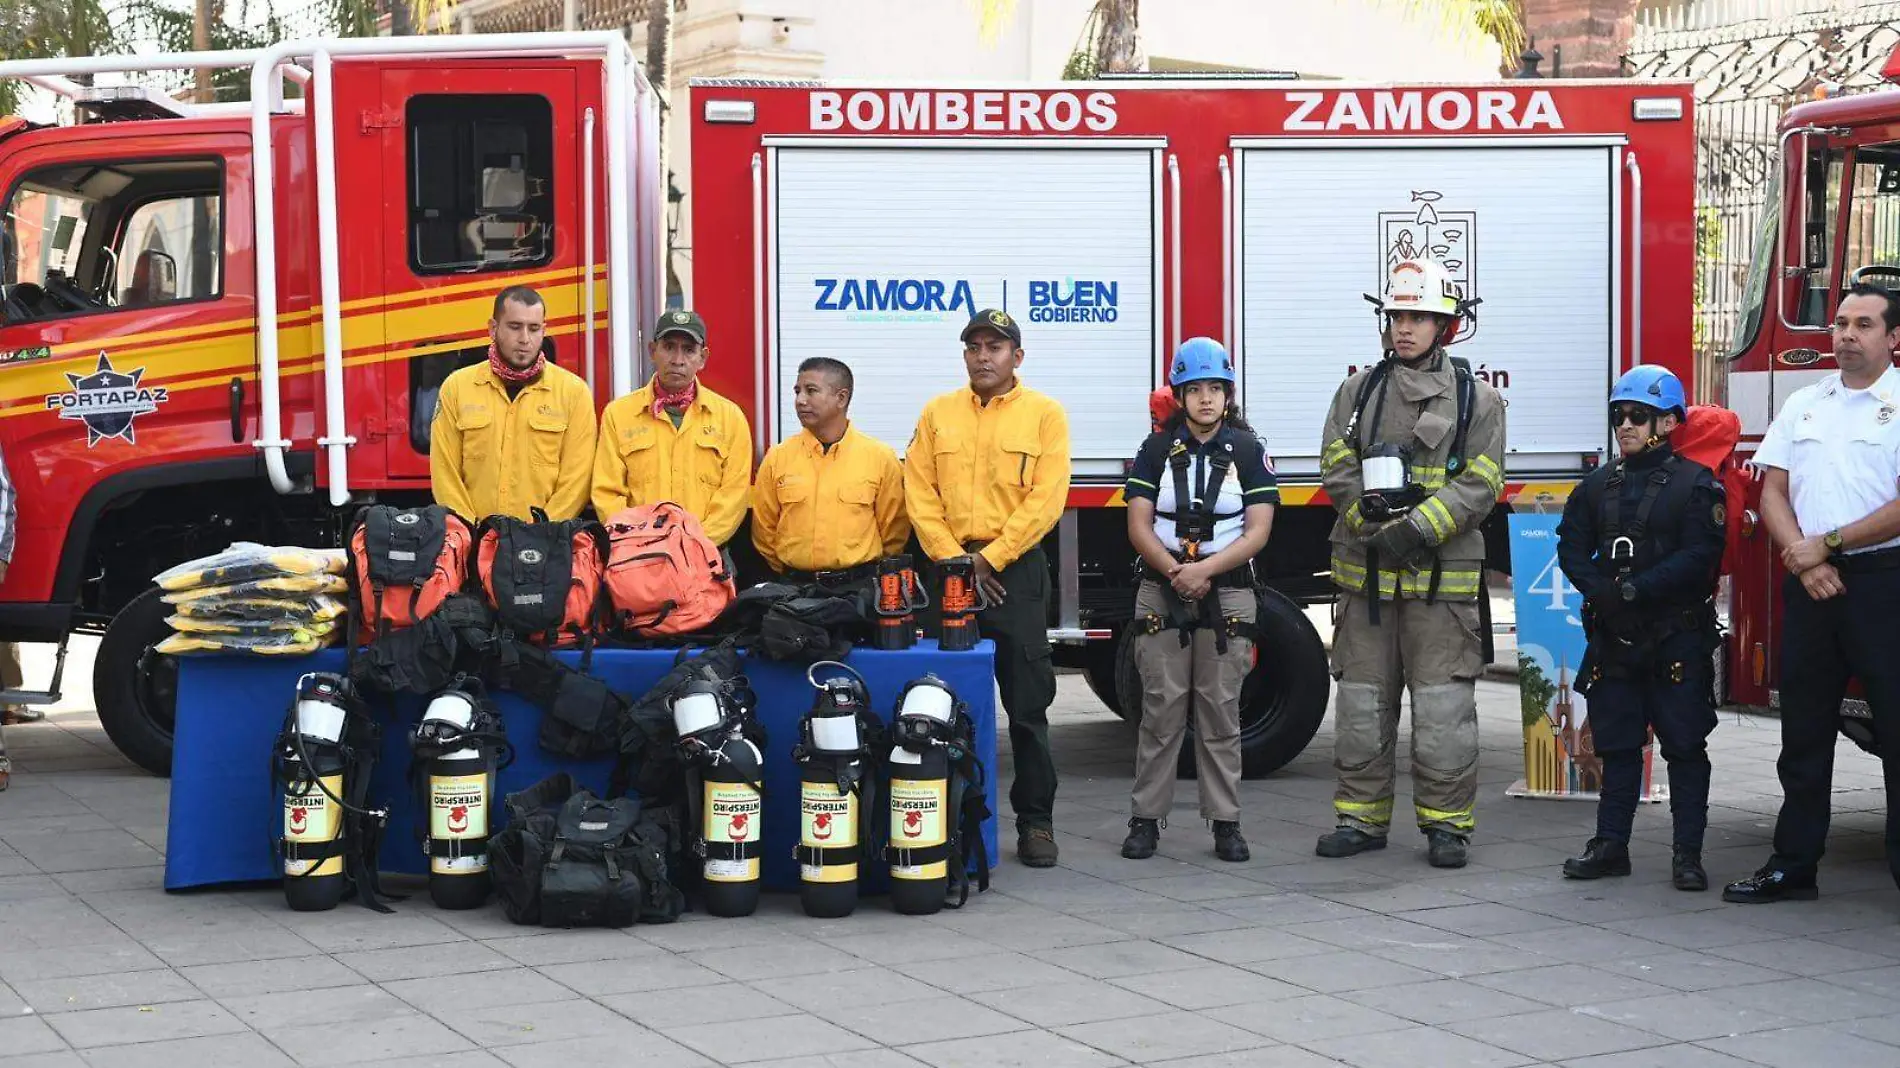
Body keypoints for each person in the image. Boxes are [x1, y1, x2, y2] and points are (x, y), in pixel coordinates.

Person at [1315, 258, 1506, 869]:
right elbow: (1336, 464)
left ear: (1445, 325)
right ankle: (1359, 820)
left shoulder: (1478, 399)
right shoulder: (1357, 392)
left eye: (1418, 316)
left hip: (1439, 589)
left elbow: (1482, 482)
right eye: (1397, 315)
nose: (1404, 327)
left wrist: (1417, 529)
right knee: (1362, 708)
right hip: (1366, 583)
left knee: (1444, 711)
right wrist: (1368, 524)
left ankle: (1447, 827)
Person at [1724, 282, 1900, 904]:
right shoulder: (1805, 402)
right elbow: (1772, 490)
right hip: (1810, 586)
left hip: (1883, 585)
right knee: (1803, 732)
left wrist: (1828, 543)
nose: (1847, 335)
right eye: (1841, 323)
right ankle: (1792, 865)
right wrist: (1804, 561)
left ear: (1893, 338)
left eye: (1864, 325)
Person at [905, 308, 1071, 868]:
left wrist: (991, 560)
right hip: (949, 571)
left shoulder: (1045, 416)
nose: (982, 355)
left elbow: (1046, 501)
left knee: (1028, 707)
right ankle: (946, 819)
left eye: (995, 347)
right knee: (938, 704)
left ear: (1016, 357)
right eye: (974, 346)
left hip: (1015, 573)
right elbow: (919, 494)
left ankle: (1036, 825)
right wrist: (959, 564)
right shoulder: (938, 413)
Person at [1555, 365, 1724, 891]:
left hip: (1676, 639)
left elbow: (1701, 557)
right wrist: (1602, 592)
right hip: (1615, 640)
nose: (1624, 425)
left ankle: (1687, 855)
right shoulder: (1596, 485)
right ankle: (1611, 845)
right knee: (1618, 746)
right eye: (1618, 416)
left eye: (1638, 416)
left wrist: (1635, 590)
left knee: (1685, 748)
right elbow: (1571, 546)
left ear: (1669, 422)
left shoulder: (1697, 486)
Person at [1121, 338, 1277, 863]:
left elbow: (1258, 532)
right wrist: (1175, 572)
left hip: (1228, 593)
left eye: (1215, 388)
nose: (1206, 399)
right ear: (1180, 395)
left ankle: (1226, 823)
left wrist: (1204, 571)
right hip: (1161, 590)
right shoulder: (1155, 449)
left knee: (1220, 714)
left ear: (1228, 394)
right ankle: (1145, 819)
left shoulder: (1249, 451)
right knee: (1161, 712)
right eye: (1195, 389)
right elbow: (1138, 525)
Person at [429, 286, 596, 522]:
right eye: (515, 327)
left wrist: (541, 532)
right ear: (493, 328)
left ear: (544, 331)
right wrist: (472, 531)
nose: (525, 339)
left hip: (544, 544)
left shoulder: (574, 393)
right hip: (474, 543)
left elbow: (578, 481)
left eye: (534, 328)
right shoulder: (456, 388)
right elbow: (445, 473)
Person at [592, 310, 753, 545]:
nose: (678, 359)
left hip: (705, 556)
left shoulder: (730, 418)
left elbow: (734, 498)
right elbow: (607, 493)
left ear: (703, 357)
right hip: (637, 556)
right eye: (669, 347)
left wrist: (692, 543)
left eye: (689, 350)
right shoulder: (618, 415)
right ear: (652, 351)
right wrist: (639, 541)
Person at [751, 357, 910, 585]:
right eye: (797, 391)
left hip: (858, 591)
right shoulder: (778, 457)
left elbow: (894, 532)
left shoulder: (880, 458)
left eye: (811, 391)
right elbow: (764, 530)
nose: (800, 400)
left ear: (841, 398)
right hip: (794, 590)